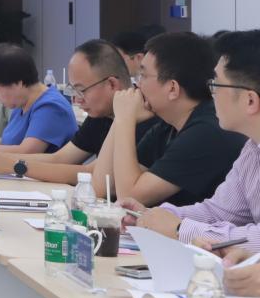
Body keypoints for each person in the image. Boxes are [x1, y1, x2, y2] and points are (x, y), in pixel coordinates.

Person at [127, 29, 260, 251]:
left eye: (216, 85)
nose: (211, 94)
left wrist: (179, 229)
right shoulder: (255, 147)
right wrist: (152, 216)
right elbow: (220, 211)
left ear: (250, 100)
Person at [92, 31, 244, 207]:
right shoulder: (168, 125)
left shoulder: (208, 131)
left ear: (172, 88)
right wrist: (120, 119)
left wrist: (124, 120)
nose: (138, 85)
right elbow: (102, 186)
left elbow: (129, 198)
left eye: (144, 76)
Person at [0, 38, 136, 184]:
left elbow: (95, 174)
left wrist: (16, 165)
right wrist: (3, 159)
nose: (76, 100)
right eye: (73, 90)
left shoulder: (139, 118)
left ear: (111, 84)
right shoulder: (100, 115)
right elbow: (60, 158)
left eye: (81, 90)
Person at [0, 43, 77, 154]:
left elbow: (27, 151)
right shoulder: (21, 102)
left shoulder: (50, 107)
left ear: (18, 82)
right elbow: (11, 142)